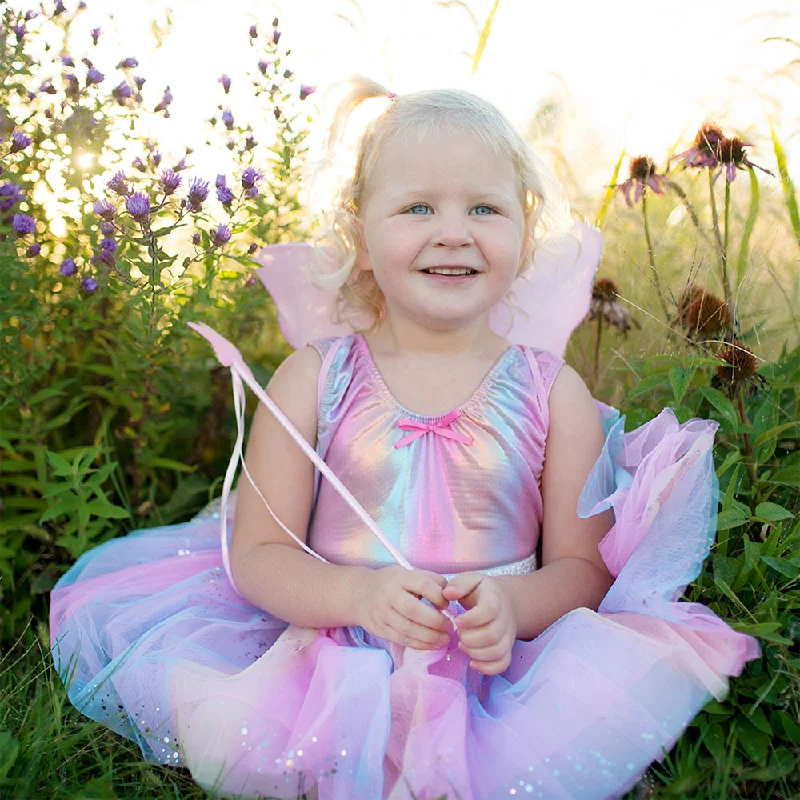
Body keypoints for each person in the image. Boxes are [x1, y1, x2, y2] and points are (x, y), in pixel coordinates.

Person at [50, 78, 760, 800]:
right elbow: (258, 556)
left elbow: (584, 568)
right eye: (418, 207)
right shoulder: (315, 379)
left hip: (494, 660)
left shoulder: (553, 393)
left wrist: (514, 609)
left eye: (484, 208)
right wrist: (358, 598)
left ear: (526, 224)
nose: (453, 231)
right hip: (332, 648)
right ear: (360, 230)